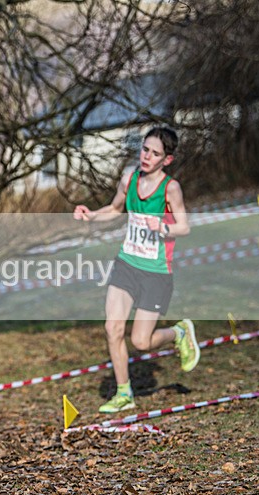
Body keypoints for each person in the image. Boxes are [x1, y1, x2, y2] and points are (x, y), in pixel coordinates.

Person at [74, 127, 200, 413]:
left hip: (156, 272)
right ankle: (123, 393)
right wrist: (91, 215)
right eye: (145, 149)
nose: (147, 157)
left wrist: (163, 227)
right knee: (112, 328)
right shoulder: (129, 179)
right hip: (127, 264)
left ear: (166, 159)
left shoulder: (170, 188)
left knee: (142, 342)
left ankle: (179, 333)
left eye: (155, 153)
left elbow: (185, 226)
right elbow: (115, 208)